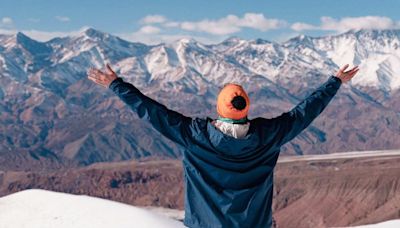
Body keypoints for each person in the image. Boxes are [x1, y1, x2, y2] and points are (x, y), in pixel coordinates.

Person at [88, 64, 359, 228]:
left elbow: (151, 111)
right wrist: (334, 82)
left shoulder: (194, 135)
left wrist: (116, 85)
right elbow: (304, 112)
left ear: (219, 108)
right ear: (246, 108)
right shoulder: (269, 135)